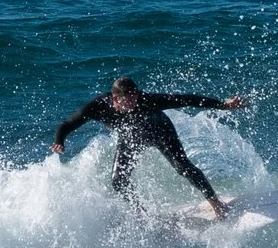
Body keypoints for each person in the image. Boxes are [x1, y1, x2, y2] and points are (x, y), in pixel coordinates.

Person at [53, 76, 249, 218]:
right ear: (114, 100)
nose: (132, 105)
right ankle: (143, 216)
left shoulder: (147, 100)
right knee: (118, 182)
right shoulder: (98, 107)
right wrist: (60, 140)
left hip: (160, 131)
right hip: (131, 137)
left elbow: (186, 99)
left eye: (134, 99)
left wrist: (223, 105)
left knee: (183, 167)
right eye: (126, 102)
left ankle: (217, 204)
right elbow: (68, 123)